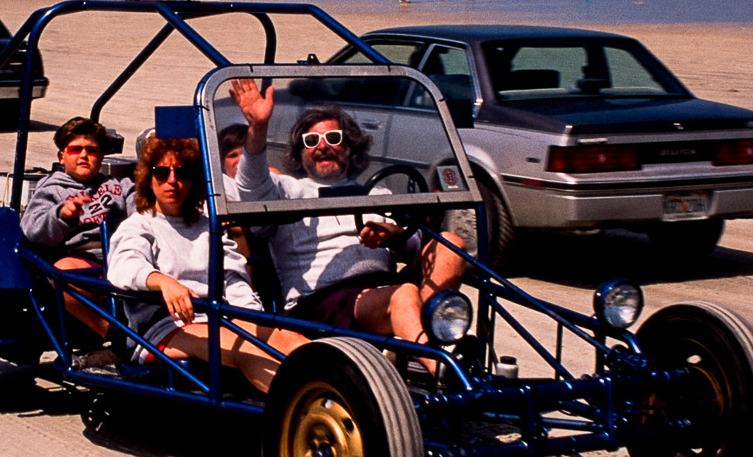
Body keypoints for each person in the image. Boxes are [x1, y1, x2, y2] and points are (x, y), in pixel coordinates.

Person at [228, 79, 466, 348]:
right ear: (300, 151)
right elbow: (252, 186)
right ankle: (440, 362)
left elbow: (412, 248)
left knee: (450, 244)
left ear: (350, 146)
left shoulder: (376, 194)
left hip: (383, 293)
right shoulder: (288, 191)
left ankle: (424, 335)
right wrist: (258, 127)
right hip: (320, 304)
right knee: (402, 295)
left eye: (333, 138)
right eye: (311, 140)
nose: (322, 145)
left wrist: (395, 237)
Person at [106, 134, 308, 393]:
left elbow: (232, 277)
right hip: (164, 328)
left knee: (293, 341)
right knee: (249, 350)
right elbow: (124, 266)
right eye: (161, 172)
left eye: (182, 173)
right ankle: (302, 413)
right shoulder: (139, 225)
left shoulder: (207, 227)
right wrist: (164, 282)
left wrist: (252, 318)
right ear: (148, 178)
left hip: (217, 316)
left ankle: (351, 403)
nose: (172, 181)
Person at [24, 117, 136, 348]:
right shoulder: (52, 188)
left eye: (92, 150)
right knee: (65, 273)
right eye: (75, 149)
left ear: (102, 156)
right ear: (62, 157)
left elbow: (142, 212)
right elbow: (32, 230)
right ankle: (117, 340)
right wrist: (63, 216)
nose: (84, 155)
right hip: (79, 259)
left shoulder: (119, 186)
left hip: (121, 255)